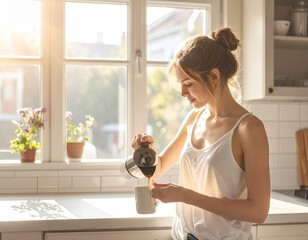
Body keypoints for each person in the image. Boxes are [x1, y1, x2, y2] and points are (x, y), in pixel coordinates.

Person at [131, 28, 270, 240]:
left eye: (188, 84)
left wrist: (186, 196)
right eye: (181, 85)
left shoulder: (249, 129)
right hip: (181, 235)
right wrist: (145, 153)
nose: (182, 93)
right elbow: (158, 167)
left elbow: (258, 211)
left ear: (214, 76)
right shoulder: (194, 119)